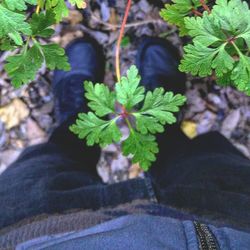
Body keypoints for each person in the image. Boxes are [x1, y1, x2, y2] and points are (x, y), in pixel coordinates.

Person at [0, 36, 250, 249]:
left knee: (53, 158)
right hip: (227, 219)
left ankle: (79, 115)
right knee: (195, 160)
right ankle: (158, 112)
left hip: (29, 226)